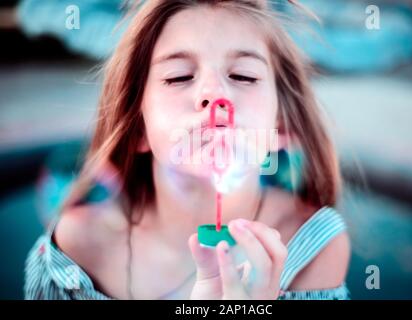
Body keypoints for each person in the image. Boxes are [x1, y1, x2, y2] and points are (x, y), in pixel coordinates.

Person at [24, 0, 350, 300]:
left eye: (243, 75)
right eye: (179, 77)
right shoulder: (81, 246)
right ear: (139, 127)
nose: (214, 94)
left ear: (280, 125)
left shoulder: (313, 249)